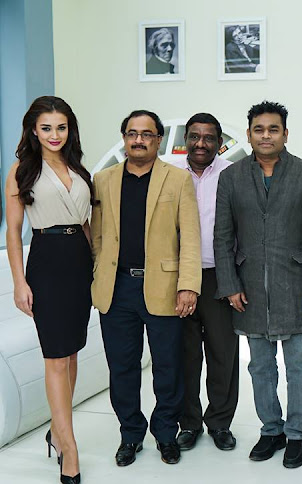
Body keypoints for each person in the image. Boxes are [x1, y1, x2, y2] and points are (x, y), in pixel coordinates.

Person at [214, 101, 302, 469]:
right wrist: (229, 284)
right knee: (260, 368)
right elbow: (223, 236)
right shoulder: (231, 177)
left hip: (298, 287)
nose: (266, 136)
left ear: (285, 134)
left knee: (300, 369)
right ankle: (271, 429)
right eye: (259, 130)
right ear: (249, 135)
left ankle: (296, 434)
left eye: (273, 129)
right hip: (249, 289)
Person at [91, 110, 201, 467]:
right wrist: (97, 273)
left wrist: (188, 286)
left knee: (168, 367)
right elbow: (97, 235)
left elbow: (190, 238)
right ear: (124, 137)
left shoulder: (177, 179)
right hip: (117, 288)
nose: (139, 140)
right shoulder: (103, 180)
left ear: (158, 139)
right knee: (122, 368)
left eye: (147, 134)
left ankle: (166, 434)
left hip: (164, 287)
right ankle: (130, 434)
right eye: (132, 133)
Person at [6, 96, 93, 484]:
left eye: (61, 127)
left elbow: (86, 223)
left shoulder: (78, 167)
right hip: (47, 262)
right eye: (46, 128)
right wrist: (19, 281)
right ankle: (68, 448)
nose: (55, 135)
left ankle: (59, 431)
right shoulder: (22, 170)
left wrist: (96, 267)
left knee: (71, 353)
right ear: (33, 130)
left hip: (80, 263)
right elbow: (13, 231)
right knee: (55, 357)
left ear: (69, 129)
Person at [173, 113, 238, 452]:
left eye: (208, 137)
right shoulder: (170, 174)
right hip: (178, 277)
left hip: (219, 276)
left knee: (223, 354)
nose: (201, 143)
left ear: (219, 142)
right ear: (186, 139)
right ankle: (189, 423)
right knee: (184, 355)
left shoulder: (233, 174)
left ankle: (220, 423)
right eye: (194, 136)